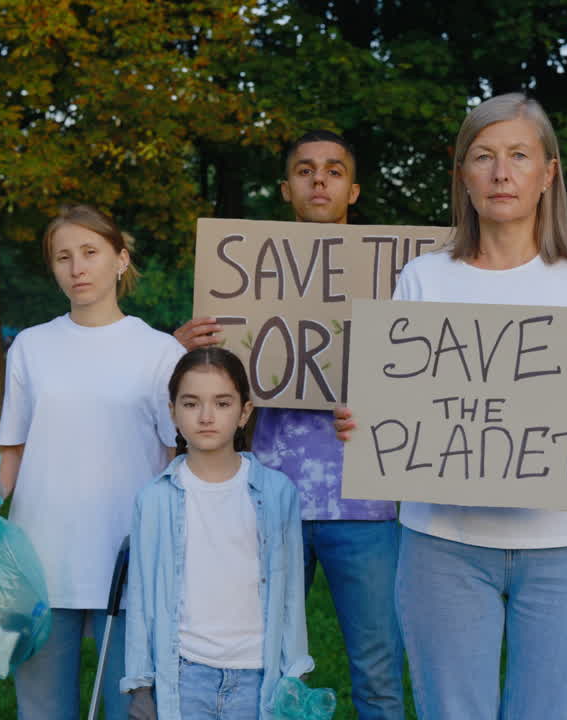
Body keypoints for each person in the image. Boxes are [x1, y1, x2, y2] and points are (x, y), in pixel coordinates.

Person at [333, 92, 567, 720]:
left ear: (548, 173)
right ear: (463, 174)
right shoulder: (423, 278)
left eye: (519, 156)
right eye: (484, 157)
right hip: (442, 545)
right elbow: (389, 412)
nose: (502, 173)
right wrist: (364, 424)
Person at [174, 130, 405, 720]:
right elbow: (209, 389)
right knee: (261, 663)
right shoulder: (249, 276)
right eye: (305, 170)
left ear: (353, 190)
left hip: (368, 503)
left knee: (379, 669)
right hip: (269, 499)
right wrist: (182, 350)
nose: (319, 180)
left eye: (333, 170)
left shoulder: (395, 278)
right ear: (285, 189)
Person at [0, 205, 186, 720]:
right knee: (42, 709)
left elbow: (176, 458)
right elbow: (15, 446)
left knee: (134, 711)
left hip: (131, 560)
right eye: (63, 257)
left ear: (120, 259)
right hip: (41, 560)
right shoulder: (31, 346)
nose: (77, 267)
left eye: (90, 252)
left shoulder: (160, 352)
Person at [121, 347, 313, 719]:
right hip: (185, 675)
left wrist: (296, 670)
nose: (206, 417)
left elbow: (290, 592)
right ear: (173, 412)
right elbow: (142, 597)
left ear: (244, 412)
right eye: (191, 404)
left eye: (222, 404)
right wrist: (141, 685)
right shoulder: (154, 499)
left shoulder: (277, 493)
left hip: (257, 676)